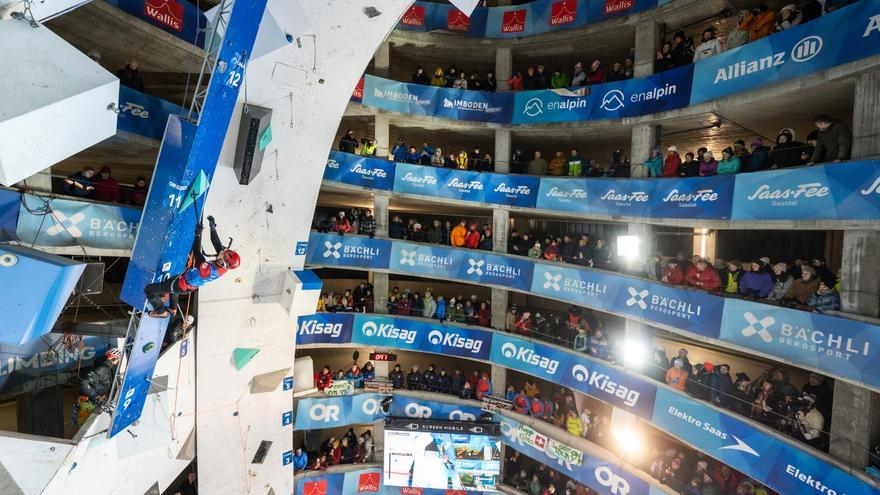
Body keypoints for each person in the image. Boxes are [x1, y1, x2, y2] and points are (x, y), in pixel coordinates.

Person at [144, 216, 240, 318]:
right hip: (189, 283)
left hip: (182, 284)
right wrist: (212, 228)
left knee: (150, 290)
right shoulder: (223, 264)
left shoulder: (208, 270)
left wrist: (197, 234)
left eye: (224, 254)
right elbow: (216, 244)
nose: (222, 251)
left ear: (223, 261)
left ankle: (161, 312)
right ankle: (173, 309)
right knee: (171, 283)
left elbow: (196, 253)